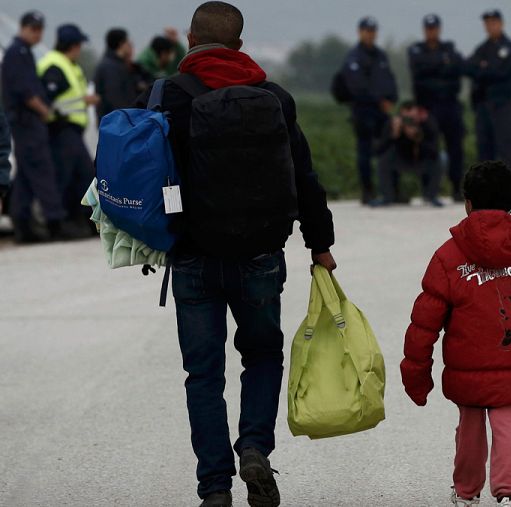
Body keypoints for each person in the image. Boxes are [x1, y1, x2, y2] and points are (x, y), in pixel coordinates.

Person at [133, 2, 336, 506]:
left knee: (203, 374)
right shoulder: (275, 98)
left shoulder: (165, 96)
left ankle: (214, 488)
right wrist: (320, 244)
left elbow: (139, 173)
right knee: (263, 356)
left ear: (189, 39)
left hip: (193, 257)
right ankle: (254, 448)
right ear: (239, 45)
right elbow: (304, 178)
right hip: (260, 256)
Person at [402, 160, 511, 507]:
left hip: (466, 364)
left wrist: (416, 375)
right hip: (510, 358)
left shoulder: (448, 256)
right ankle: (509, 491)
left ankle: (467, 492)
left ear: (467, 203)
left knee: (469, 425)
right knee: (506, 422)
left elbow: (425, 323)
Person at [1, 11, 72, 243]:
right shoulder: (16, 53)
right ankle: (54, 222)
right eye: (36, 30)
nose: (39, 35)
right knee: (43, 171)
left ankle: (22, 224)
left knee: (25, 175)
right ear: (26, 29)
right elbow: (26, 92)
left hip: (27, 122)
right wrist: (46, 112)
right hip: (27, 121)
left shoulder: (23, 53)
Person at [38, 23, 100, 234]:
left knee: (76, 176)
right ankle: (70, 223)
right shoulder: (55, 65)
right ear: (72, 46)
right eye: (79, 45)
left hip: (70, 131)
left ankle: (79, 222)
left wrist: (84, 100)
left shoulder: (67, 64)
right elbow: (48, 98)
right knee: (79, 175)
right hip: (62, 129)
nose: (80, 49)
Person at [339, 16, 398, 204]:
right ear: (360, 32)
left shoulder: (380, 55)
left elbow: (390, 80)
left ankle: (390, 190)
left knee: (388, 150)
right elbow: (357, 87)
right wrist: (379, 100)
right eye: (367, 30)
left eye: (373, 31)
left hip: (382, 112)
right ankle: (367, 191)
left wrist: (391, 99)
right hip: (363, 111)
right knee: (365, 152)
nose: (370, 34)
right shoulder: (354, 57)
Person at [408, 13, 466, 201]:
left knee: (455, 147)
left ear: (439, 29)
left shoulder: (449, 49)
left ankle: (457, 187)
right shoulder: (416, 50)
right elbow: (419, 76)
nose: (431, 32)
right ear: (424, 30)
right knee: (428, 148)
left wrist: (433, 72)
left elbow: (457, 71)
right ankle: (429, 189)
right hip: (428, 107)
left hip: (450, 105)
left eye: (434, 28)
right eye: (428, 28)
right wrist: (442, 67)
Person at [465, 9, 511, 174]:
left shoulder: (508, 48)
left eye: (493, 22)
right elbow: (468, 67)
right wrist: (486, 70)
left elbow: (503, 73)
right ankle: (485, 187)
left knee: (505, 146)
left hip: (502, 104)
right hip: (483, 104)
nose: (490, 26)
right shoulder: (482, 48)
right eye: (487, 23)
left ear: (501, 24)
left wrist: (484, 70)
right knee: (484, 147)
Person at [372, 101, 443, 207]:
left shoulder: (427, 123)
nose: (409, 121)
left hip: (421, 160)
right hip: (401, 159)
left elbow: (434, 151)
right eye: (406, 118)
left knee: (442, 158)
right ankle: (387, 196)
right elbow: (379, 150)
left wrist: (418, 137)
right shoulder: (393, 124)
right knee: (383, 160)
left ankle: (431, 196)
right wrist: (393, 135)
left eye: (412, 118)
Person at [94, 28, 144, 120]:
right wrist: (128, 116)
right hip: (116, 122)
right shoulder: (110, 67)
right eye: (127, 43)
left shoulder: (120, 65)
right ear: (121, 44)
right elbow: (114, 97)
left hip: (120, 120)